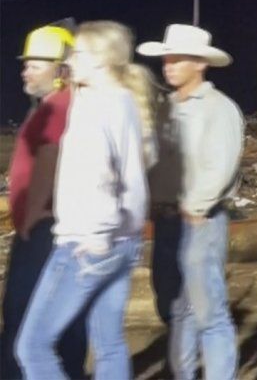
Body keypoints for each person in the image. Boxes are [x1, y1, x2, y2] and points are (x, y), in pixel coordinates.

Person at [15, 21, 154, 380]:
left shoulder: (92, 107)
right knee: (109, 343)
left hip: (87, 243)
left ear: (101, 60)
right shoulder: (125, 101)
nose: (70, 61)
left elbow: (100, 174)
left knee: (32, 347)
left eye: (77, 53)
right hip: (124, 241)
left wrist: (96, 236)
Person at [137, 24, 243, 380]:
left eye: (178, 59)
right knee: (174, 307)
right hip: (167, 222)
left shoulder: (218, 109)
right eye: (167, 59)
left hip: (200, 222)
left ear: (200, 63)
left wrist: (195, 207)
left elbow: (221, 165)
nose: (168, 65)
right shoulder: (165, 109)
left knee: (208, 312)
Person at [0, 22, 87, 379]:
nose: (25, 70)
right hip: (48, 228)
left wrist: (32, 217)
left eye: (35, 64)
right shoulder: (52, 105)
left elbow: (49, 160)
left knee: (22, 318)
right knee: (59, 321)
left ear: (61, 71)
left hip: (43, 231)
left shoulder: (58, 107)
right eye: (26, 63)